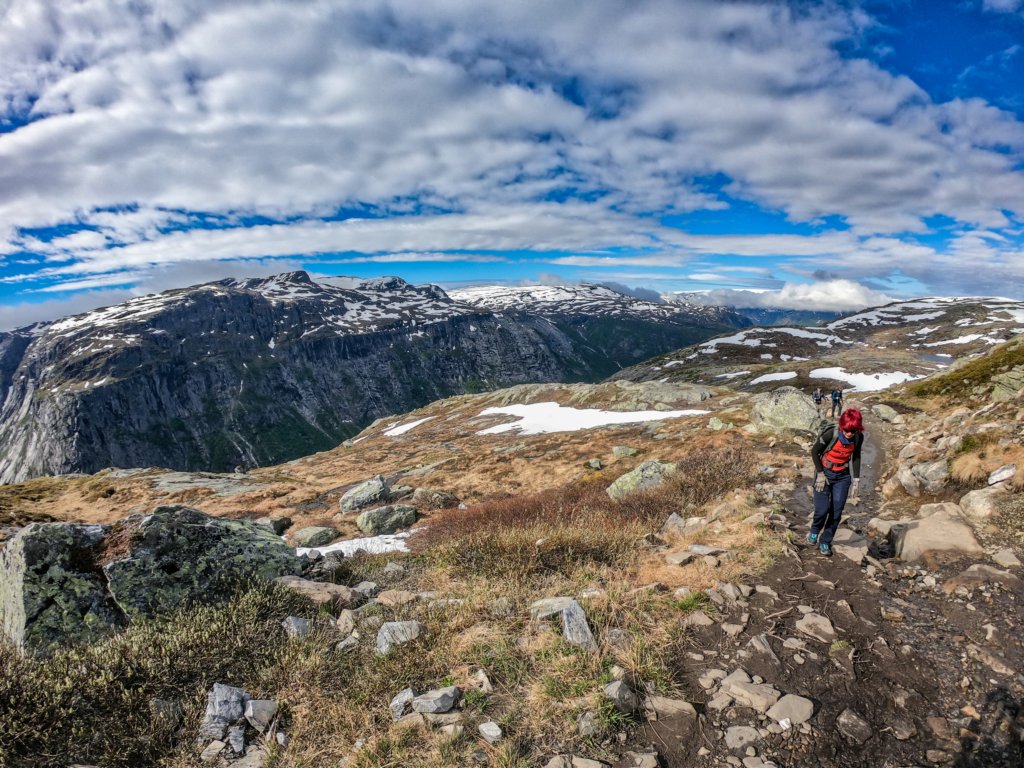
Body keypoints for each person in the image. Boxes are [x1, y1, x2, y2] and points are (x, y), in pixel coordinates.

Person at [808, 408, 864, 557]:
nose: (849, 434)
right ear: (842, 426)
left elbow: (856, 457)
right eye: (846, 430)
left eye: (852, 431)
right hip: (824, 473)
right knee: (822, 509)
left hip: (843, 477)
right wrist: (820, 474)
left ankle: (825, 540)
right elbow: (814, 452)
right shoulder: (831, 434)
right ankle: (814, 530)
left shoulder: (858, 437)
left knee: (836, 512)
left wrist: (856, 479)